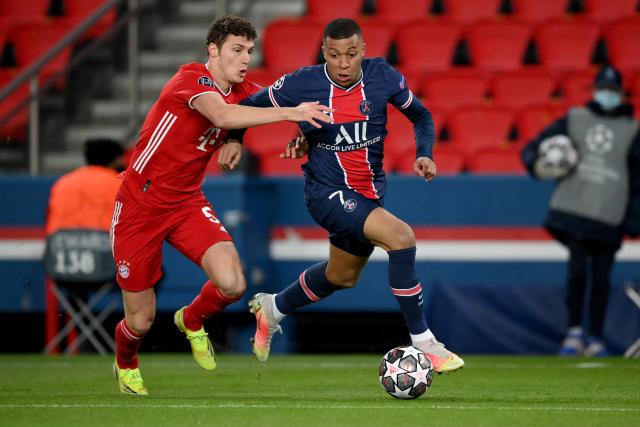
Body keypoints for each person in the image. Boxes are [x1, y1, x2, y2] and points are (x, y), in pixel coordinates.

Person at [227, 18, 464, 373]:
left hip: (367, 194)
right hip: (326, 193)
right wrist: (234, 140)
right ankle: (425, 343)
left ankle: (272, 308)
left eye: (351, 55)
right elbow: (248, 107)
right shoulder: (302, 82)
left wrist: (424, 152)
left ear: (363, 52)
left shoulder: (382, 76)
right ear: (324, 52)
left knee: (341, 277)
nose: (342, 63)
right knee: (401, 237)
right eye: (334, 55)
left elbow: (421, 116)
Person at [110, 15, 332, 395]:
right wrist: (288, 115)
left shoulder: (244, 88)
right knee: (142, 320)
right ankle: (126, 362)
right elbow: (224, 114)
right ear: (213, 50)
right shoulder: (191, 79)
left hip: (185, 202)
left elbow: (251, 110)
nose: (245, 58)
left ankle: (191, 319)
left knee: (233, 284)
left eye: (249, 50)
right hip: (139, 205)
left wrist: (288, 137)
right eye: (236, 49)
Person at [521, 65, 640, 357]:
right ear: (596, 89)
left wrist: (633, 219)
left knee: (601, 279)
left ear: (621, 93)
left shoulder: (633, 129)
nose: (608, 95)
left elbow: (637, 178)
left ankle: (596, 337)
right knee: (577, 273)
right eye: (604, 88)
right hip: (575, 209)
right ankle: (574, 333)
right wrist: (535, 164)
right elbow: (536, 147)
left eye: (613, 90)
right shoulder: (576, 118)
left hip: (610, 214)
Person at [46, 138, 125, 236]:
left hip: (60, 244)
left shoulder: (62, 183)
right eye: (121, 158)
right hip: (105, 245)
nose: (124, 162)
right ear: (115, 160)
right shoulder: (120, 184)